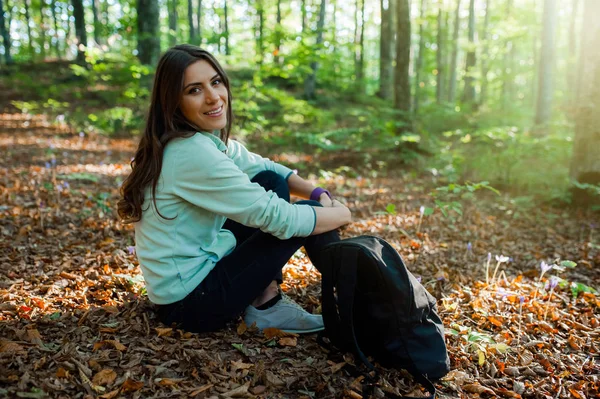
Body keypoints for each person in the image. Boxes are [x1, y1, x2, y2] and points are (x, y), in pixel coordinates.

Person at [117, 44, 352, 334]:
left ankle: (268, 301)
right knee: (307, 217)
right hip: (189, 305)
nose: (213, 97)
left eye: (215, 82)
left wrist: (317, 193)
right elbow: (282, 220)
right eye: (194, 90)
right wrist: (340, 213)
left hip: (193, 278)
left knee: (269, 180)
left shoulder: (194, 139)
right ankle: (362, 308)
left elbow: (263, 166)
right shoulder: (190, 152)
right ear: (173, 102)